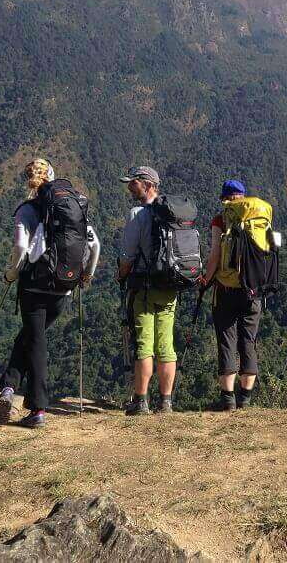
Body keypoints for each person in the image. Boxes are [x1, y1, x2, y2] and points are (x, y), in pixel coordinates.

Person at [0, 159, 100, 427]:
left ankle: (37, 410)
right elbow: (95, 244)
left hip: (34, 285)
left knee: (35, 341)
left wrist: (12, 273)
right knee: (31, 337)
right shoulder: (73, 206)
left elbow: (21, 247)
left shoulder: (27, 210)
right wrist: (85, 275)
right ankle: (8, 387)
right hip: (63, 286)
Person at [117, 166, 177, 415]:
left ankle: (140, 402)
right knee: (166, 346)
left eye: (134, 183)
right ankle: (166, 402)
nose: (130, 187)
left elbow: (128, 255)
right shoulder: (172, 211)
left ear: (148, 184)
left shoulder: (138, 213)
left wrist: (121, 275)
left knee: (144, 345)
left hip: (144, 286)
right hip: (170, 286)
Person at [203, 179, 263, 411]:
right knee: (248, 341)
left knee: (227, 341)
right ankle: (245, 398)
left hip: (226, 290)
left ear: (224, 197)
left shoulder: (221, 219)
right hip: (253, 290)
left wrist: (205, 280)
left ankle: (228, 400)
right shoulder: (258, 217)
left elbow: (215, 255)